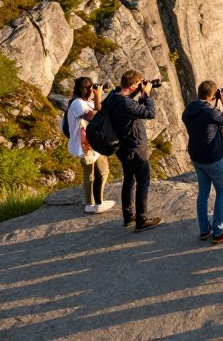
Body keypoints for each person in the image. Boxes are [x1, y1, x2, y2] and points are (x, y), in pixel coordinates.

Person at [182, 80, 223, 244]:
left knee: (203, 193)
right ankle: (219, 232)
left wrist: (214, 103)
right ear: (213, 96)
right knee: (222, 191)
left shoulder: (188, 110)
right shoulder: (210, 113)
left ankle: (204, 230)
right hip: (213, 158)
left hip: (197, 157)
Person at [106, 70, 160, 232]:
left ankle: (128, 215)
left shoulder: (113, 96)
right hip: (135, 147)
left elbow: (126, 96)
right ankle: (142, 220)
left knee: (129, 179)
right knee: (143, 180)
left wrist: (139, 91)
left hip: (121, 147)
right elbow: (150, 113)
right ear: (132, 85)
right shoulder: (126, 104)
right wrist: (146, 95)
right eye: (139, 83)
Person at [66, 76, 113, 214]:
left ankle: (92, 202)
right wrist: (98, 96)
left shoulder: (84, 102)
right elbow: (94, 117)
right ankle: (93, 203)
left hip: (91, 143)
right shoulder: (77, 104)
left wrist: (99, 96)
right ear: (86, 90)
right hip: (86, 145)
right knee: (98, 172)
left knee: (94, 172)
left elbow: (101, 109)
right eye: (92, 88)